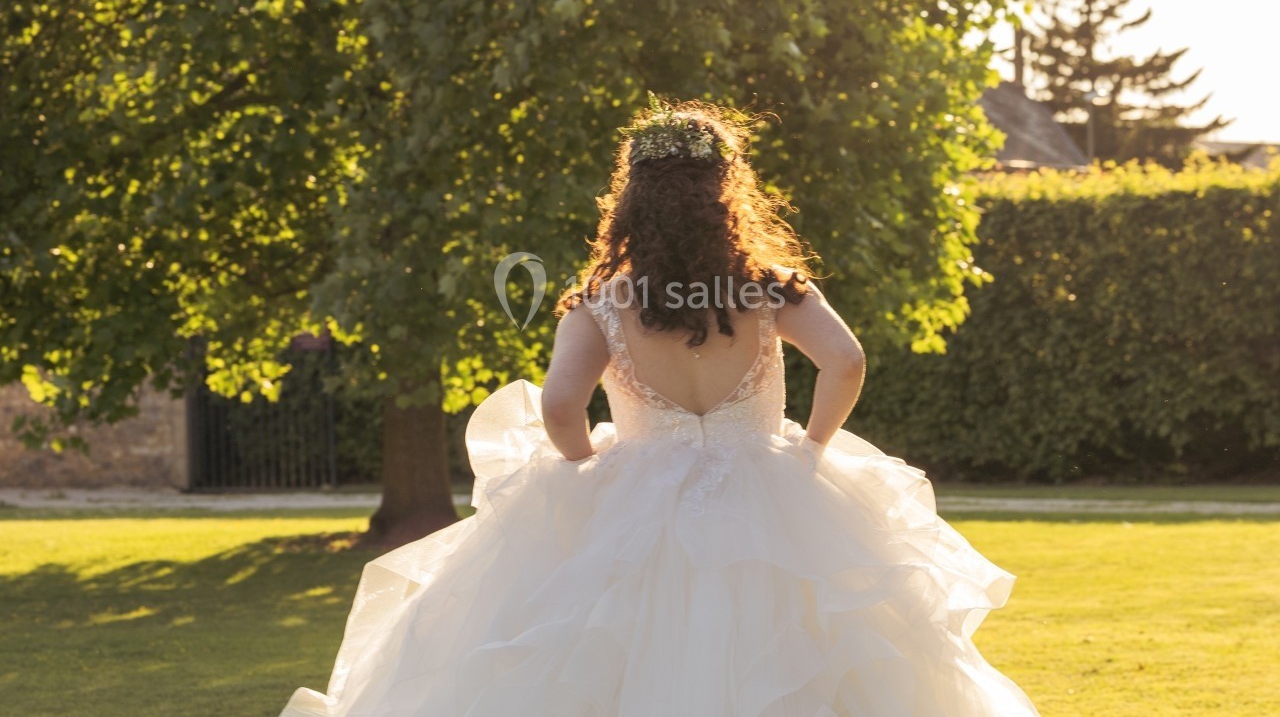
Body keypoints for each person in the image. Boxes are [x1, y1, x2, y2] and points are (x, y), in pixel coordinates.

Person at [279, 98, 1041, 716]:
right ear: (728, 193)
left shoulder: (602, 302)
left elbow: (559, 404)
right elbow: (846, 361)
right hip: (772, 490)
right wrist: (810, 447)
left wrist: (582, 470)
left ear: (632, 199)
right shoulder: (771, 288)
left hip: (633, 491)